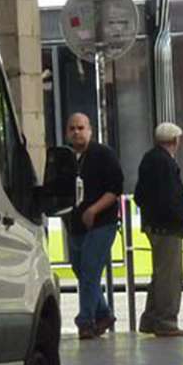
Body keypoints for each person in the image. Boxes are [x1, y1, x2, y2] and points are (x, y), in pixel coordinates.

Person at [66, 113, 124, 340]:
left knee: (90, 269)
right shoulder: (67, 158)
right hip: (76, 225)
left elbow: (115, 188)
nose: (76, 132)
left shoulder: (103, 155)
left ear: (90, 130)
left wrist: (94, 210)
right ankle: (103, 313)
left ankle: (86, 321)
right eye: (72, 128)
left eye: (81, 128)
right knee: (81, 271)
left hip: (102, 224)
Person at [134, 122, 183, 337]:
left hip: (153, 225)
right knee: (170, 275)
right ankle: (166, 321)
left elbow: (139, 195)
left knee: (160, 273)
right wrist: (181, 220)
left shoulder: (149, 158)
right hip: (167, 227)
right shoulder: (166, 163)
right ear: (175, 141)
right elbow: (171, 198)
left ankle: (150, 318)